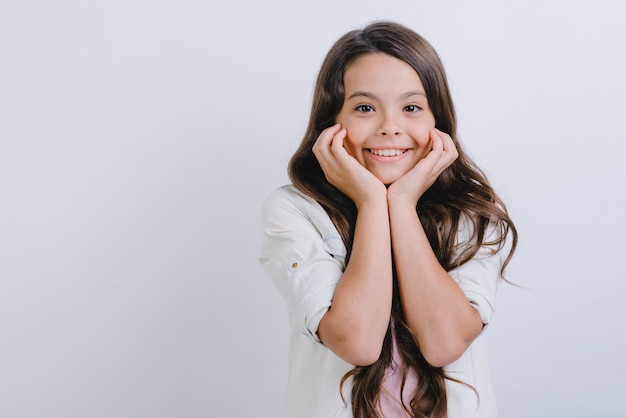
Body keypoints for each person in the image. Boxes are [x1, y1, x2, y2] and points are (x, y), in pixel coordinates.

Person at [259, 20, 517, 418]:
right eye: (365, 108)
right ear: (332, 121)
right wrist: (371, 202)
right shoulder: (295, 210)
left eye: (411, 107)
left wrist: (400, 203)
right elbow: (358, 342)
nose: (390, 127)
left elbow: (444, 342)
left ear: (438, 121)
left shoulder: (471, 212)